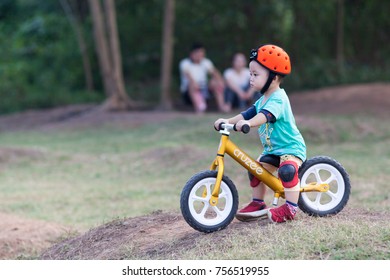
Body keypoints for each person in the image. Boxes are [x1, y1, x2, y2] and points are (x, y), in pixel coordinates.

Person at [214, 44, 306, 223]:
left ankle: (290, 208)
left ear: (274, 77)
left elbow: (265, 116)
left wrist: (248, 124)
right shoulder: (262, 99)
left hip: (291, 148)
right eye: (250, 74)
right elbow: (247, 114)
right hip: (273, 150)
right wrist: (228, 121)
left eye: (256, 75)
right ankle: (258, 203)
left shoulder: (278, 98)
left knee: (287, 171)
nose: (251, 78)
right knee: (255, 169)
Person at [179, 43, 228, 113]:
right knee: (192, 84)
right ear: (192, 54)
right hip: (189, 92)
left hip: (204, 89)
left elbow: (215, 73)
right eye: (198, 53)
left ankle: (222, 106)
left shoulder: (205, 62)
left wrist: (220, 81)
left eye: (202, 53)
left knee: (215, 82)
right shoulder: (185, 63)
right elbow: (188, 76)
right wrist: (195, 84)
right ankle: (199, 107)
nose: (200, 55)